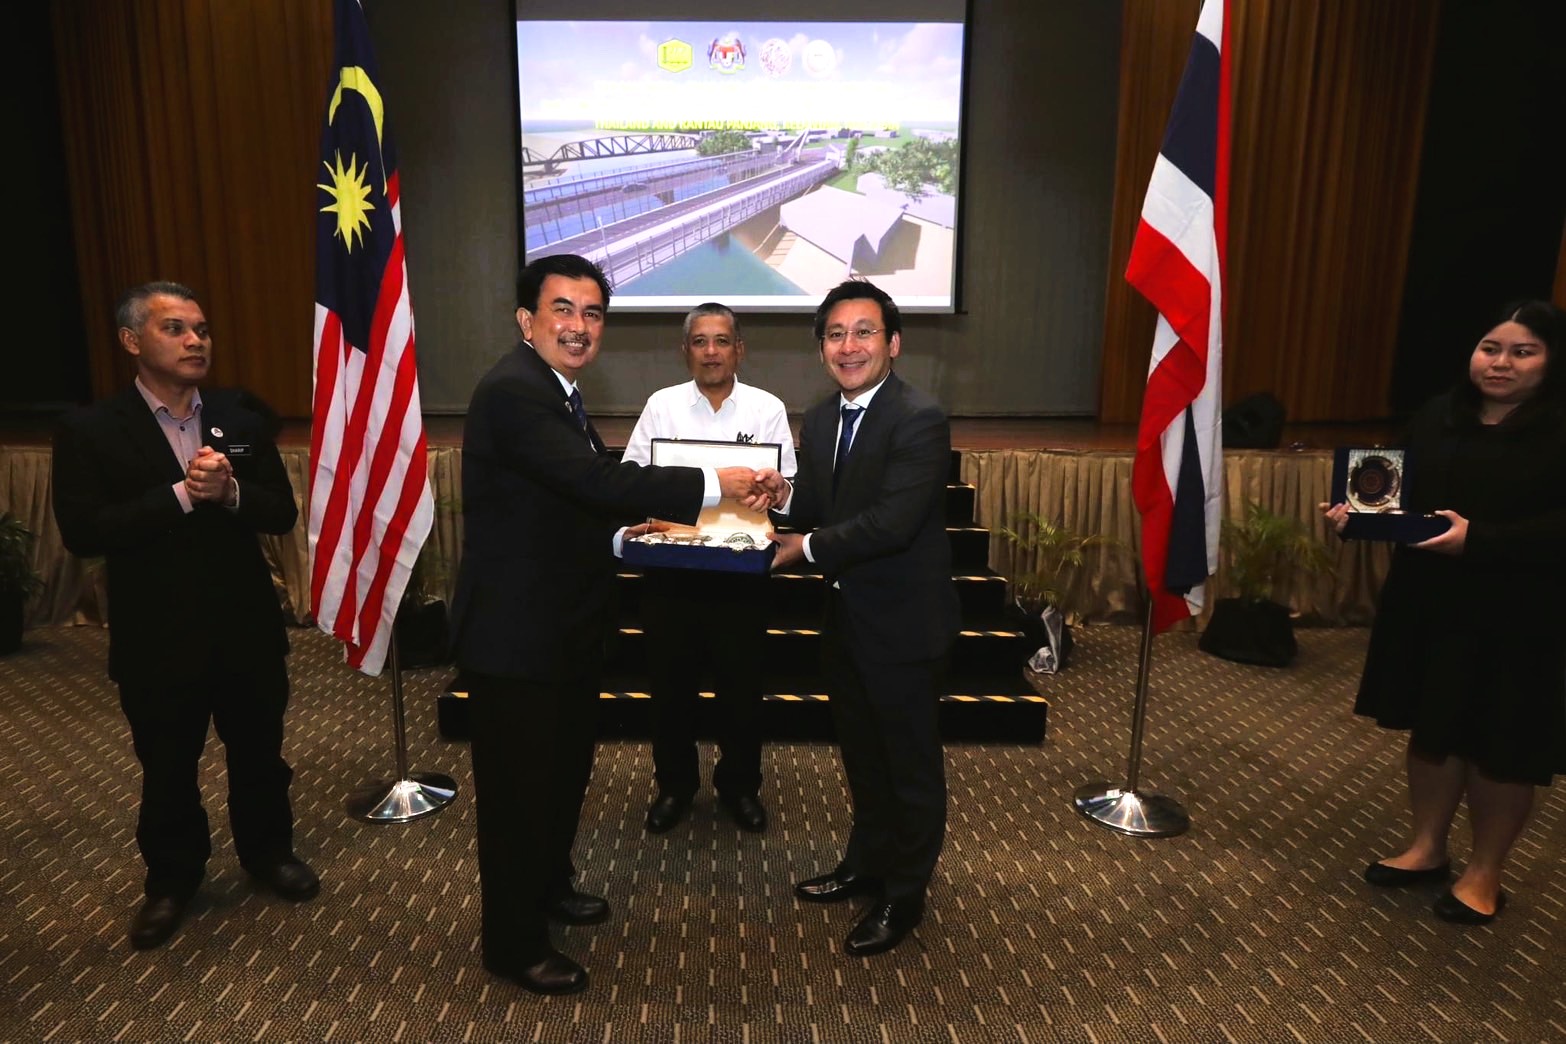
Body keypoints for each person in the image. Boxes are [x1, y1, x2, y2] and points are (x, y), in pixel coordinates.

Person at [450, 254, 760, 996]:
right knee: (519, 797)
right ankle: (513, 944)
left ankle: (549, 888)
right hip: (516, 640)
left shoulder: (559, 395)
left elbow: (570, 509)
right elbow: (594, 481)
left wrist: (629, 538)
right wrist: (714, 483)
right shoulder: (515, 391)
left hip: (559, 631)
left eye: (592, 313)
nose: (579, 326)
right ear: (526, 321)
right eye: (562, 309)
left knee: (559, 778)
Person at [51, 282, 317, 951]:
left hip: (246, 629)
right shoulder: (90, 430)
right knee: (168, 767)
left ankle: (268, 853)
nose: (196, 340)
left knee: (260, 756)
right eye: (175, 328)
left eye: (201, 329)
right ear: (131, 341)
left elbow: (280, 512)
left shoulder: (239, 417)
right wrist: (180, 496)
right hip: (157, 637)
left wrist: (229, 492)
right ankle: (172, 881)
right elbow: (84, 530)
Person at [1323, 299, 1566, 926]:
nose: (1501, 363)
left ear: (1552, 360)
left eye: (1522, 351)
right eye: (1490, 348)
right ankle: (1427, 847)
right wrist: (1359, 519)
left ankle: (1485, 873)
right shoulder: (1439, 414)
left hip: (1522, 612)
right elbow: (1396, 495)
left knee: (1501, 742)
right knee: (1433, 727)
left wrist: (1479, 540)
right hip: (1431, 599)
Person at [753, 279, 960, 956]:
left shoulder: (919, 418)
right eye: (835, 334)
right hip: (845, 618)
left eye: (864, 332)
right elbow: (819, 503)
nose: (849, 346)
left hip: (905, 625)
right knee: (864, 758)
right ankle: (865, 864)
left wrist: (803, 548)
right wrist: (782, 496)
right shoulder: (820, 417)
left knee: (909, 766)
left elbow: (892, 523)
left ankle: (904, 894)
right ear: (822, 348)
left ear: (893, 344)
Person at [622, 303, 797, 835]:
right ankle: (674, 787)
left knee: (741, 691)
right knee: (669, 690)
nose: (711, 351)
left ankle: (739, 787)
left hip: (740, 573)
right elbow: (631, 475)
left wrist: (779, 491)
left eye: (722, 341)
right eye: (700, 341)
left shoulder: (767, 408)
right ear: (686, 351)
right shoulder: (661, 406)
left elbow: (789, 489)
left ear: (739, 349)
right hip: (671, 571)